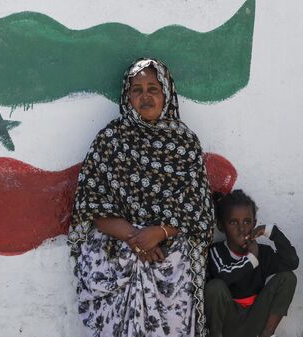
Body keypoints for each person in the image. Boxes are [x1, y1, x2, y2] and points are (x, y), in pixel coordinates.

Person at [68, 58, 215, 337]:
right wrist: (138, 240)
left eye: (153, 89)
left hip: (167, 250)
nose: (145, 96)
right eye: (137, 89)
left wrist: (159, 232)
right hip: (119, 246)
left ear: (166, 94)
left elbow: (198, 209)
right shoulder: (110, 140)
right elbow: (92, 205)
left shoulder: (185, 143)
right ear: (127, 96)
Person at [205, 189, 298, 337]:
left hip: (256, 321)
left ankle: (267, 334)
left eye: (247, 222)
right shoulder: (217, 252)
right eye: (233, 222)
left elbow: (292, 262)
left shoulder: (263, 252)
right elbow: (223, 277)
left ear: (254, 224)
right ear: (221, 226)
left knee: (288, 277)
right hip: (228, 323)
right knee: (214, 287)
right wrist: (251, 258)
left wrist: (272, 232)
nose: (241, 229)